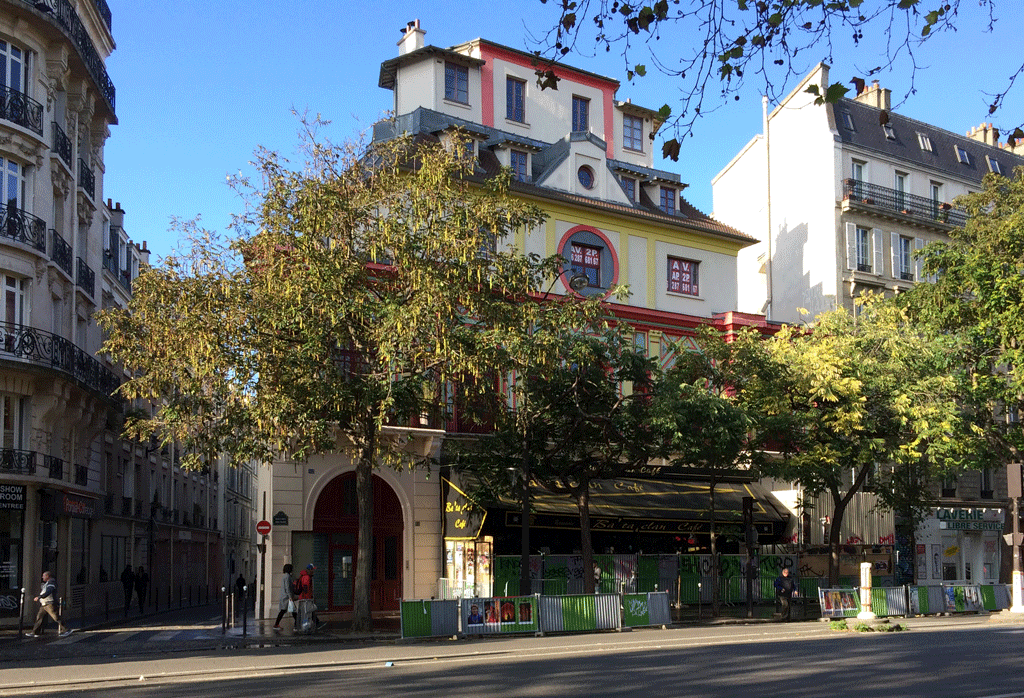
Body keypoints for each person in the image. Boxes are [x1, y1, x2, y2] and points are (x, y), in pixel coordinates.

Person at [27, 571, 71, 638]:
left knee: (56, 617)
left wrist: (40, 597)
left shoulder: (51, 583)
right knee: (39, 617)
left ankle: (67, 630)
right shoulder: (48, 583)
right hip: (44, 604)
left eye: (43, 576)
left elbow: (49, 591)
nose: (42, 577)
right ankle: (35, 632)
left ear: (47, 576)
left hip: (49, 603)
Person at [298, 563, 324, 631]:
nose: (313, 571)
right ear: (310, 570)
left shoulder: (305, 576)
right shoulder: (307, 577)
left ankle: (312, 624)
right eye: (312, 569)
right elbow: (306, 588)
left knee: (308, 612)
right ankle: (306, 627)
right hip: (306, 599)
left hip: (305, 598)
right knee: (307, 613)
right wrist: (309, 598)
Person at [273, 563, 298, 631]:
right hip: (286, 597)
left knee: (289, 611)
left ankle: (277, 624)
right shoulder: (287, 577)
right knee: (291, 611)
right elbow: (287, 587)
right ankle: (296, 625)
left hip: (284, 596)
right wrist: (290, 596)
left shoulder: (284, 576)